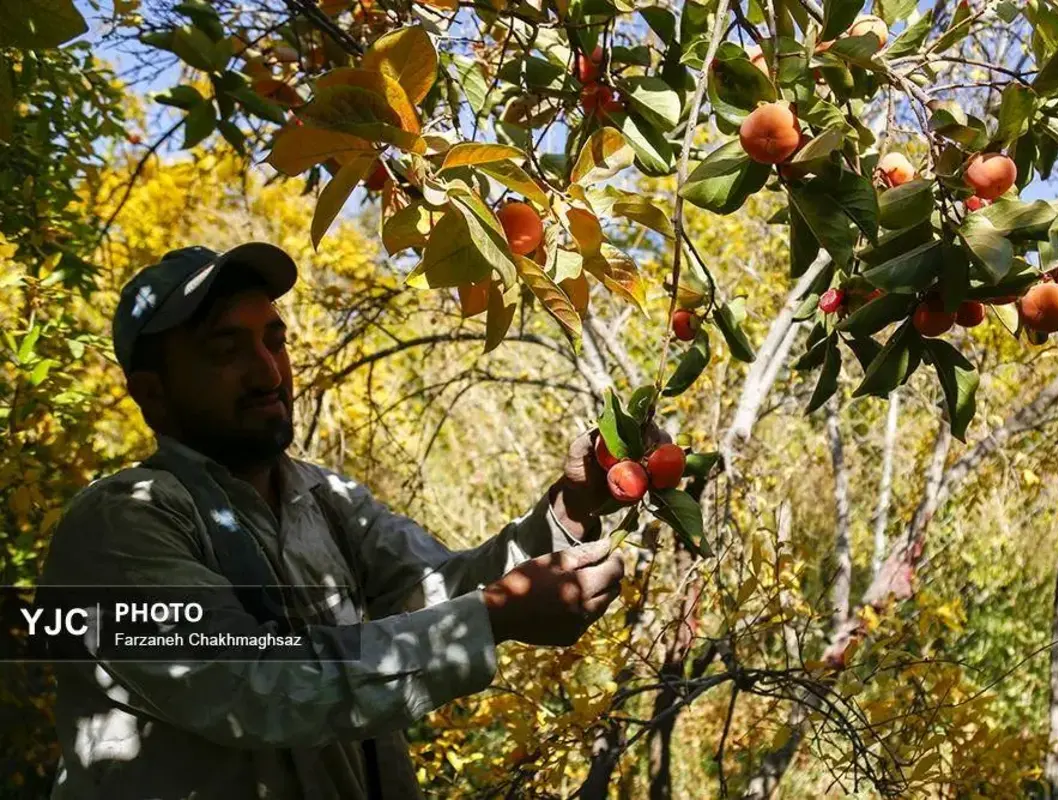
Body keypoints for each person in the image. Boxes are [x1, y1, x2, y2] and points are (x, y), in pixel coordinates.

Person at [39, 243, 628, 799]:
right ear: (153, 395)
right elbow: (254, 686)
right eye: (226, 351)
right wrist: (495, 616)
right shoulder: (121, 525)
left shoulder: (324, 496)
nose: (269, 374)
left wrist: (570, 510)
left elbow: (443, 592)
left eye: (275, 340)